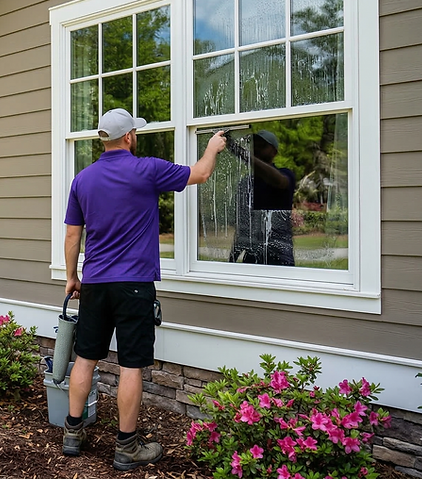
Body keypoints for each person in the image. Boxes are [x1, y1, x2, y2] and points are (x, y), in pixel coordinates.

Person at [62, 108, 226, 471]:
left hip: (95, 284)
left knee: (86, 357)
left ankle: (72, 433)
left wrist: (73, 277)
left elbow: (73, 234)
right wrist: (213, 146)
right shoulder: (146, 169)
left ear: (103, 139)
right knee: (131, 365)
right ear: (130, 137)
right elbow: (199, 173)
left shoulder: (83, 180)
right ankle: (127, 447)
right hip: (134, 285)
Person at [227, 130, 296, 266]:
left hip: (279, 251)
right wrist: (233, 257)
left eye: (262, 146)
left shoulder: (285, 174)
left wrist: (243, 154)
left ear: (274, 152)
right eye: (254, 145)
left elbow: (279, 181)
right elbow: (243, 223)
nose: (256, 148)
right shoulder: (245, 182)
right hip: (253, 252)